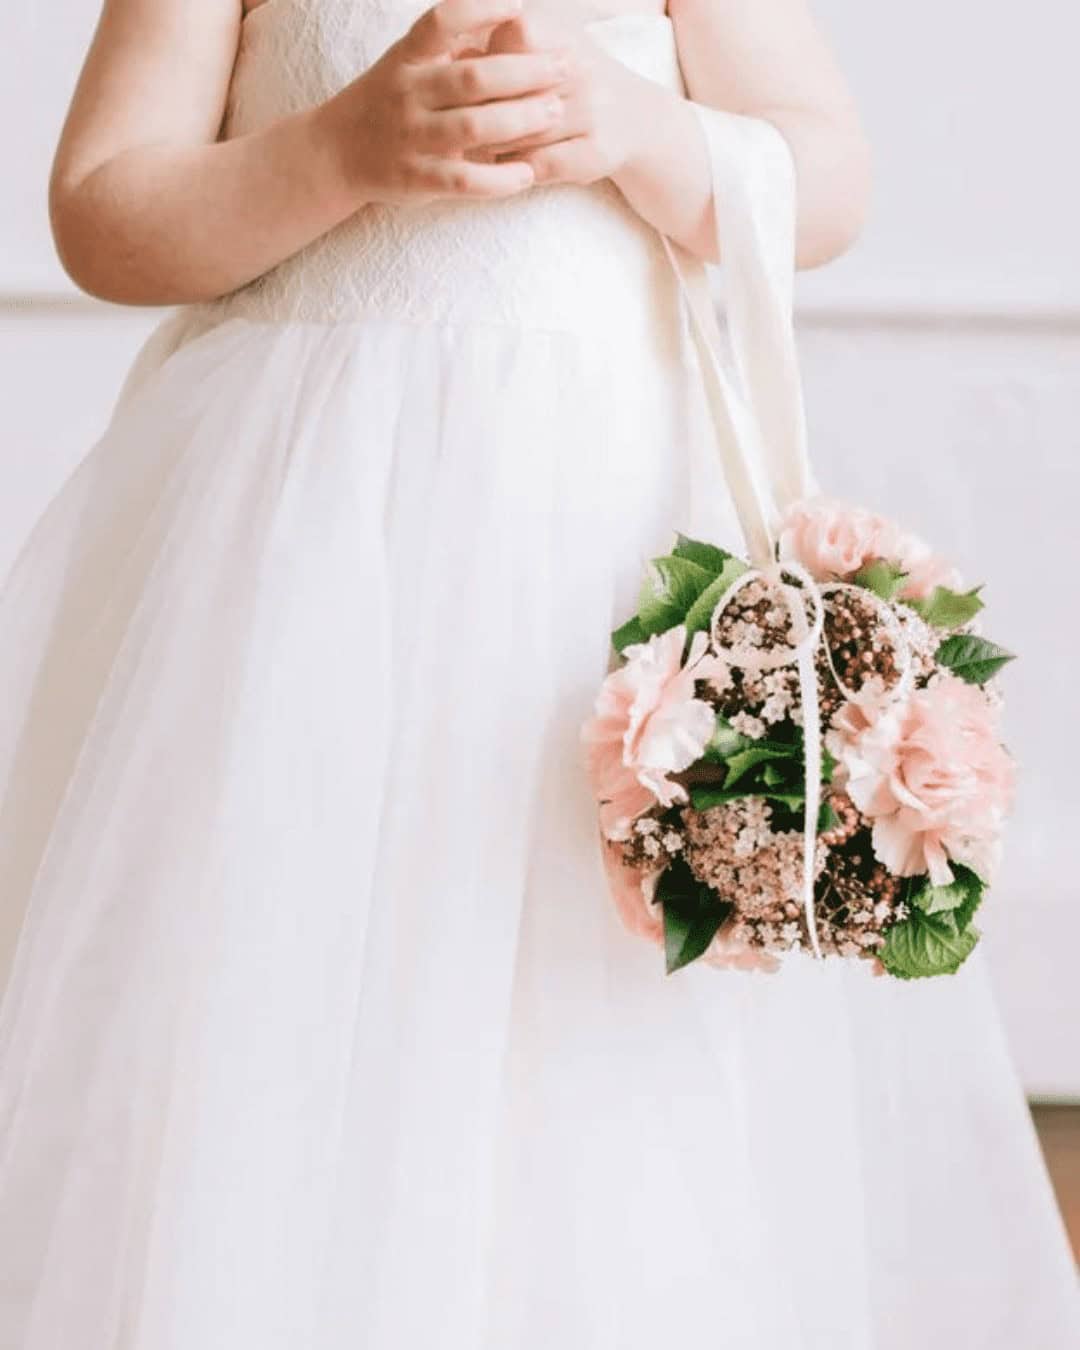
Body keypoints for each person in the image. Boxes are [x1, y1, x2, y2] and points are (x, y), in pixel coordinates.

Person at [1, 0, 1076, 1345]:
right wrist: (336, 150)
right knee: (276, 972)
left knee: (586, 1012)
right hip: (299, 559)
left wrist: (647, 130)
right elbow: (104, 207)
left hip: (596, 553)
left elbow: (825, 176)